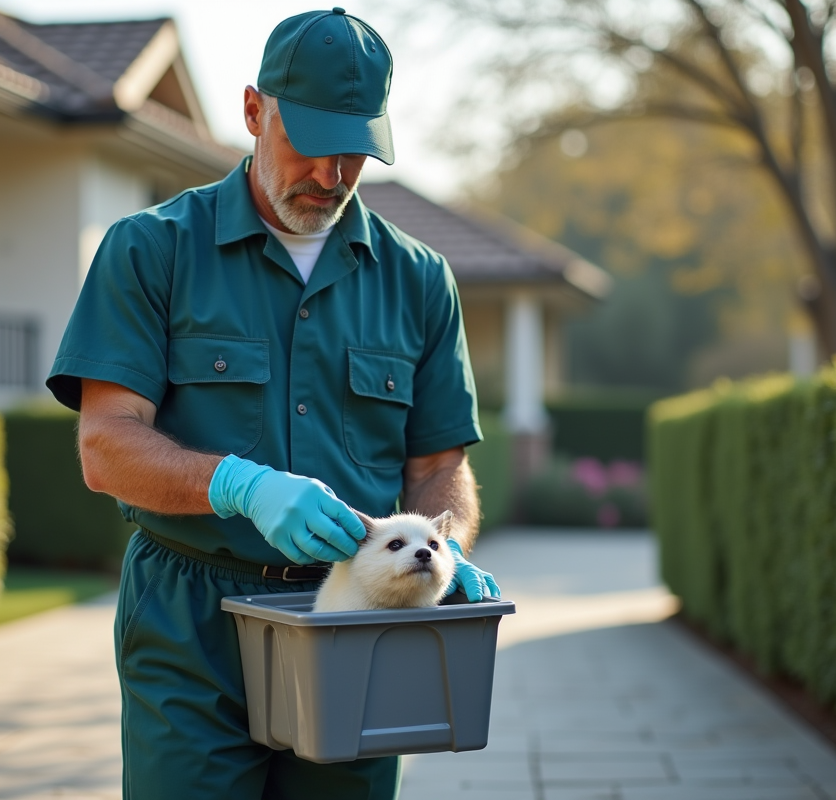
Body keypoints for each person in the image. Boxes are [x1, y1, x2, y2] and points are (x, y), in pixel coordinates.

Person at [46, 8, 499, 799]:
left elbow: (439, 465)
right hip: (191, 618)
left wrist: (443, 545)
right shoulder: (151, 250)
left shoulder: (420, 279)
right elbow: (105, 446)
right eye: (312, 142)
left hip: (357, 614)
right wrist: (240, 485)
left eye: (354, 151)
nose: (332, 173)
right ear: (255, 111)